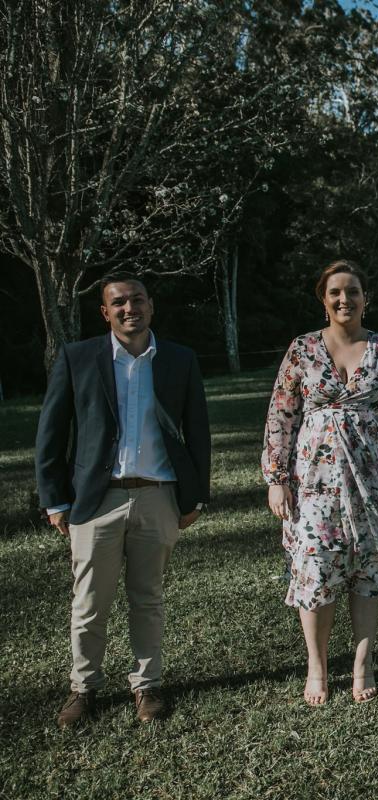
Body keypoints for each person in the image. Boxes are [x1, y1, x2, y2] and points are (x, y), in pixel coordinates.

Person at [35, 275, 211, 728]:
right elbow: (51, 436)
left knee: (147, 598)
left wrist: (195, 496)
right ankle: (83, 688)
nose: (128, 308)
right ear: (105, 312)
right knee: (89, 601)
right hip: (96, 502)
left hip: (159, 496)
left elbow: (198, 432)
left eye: (137, 300)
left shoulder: (179, 359)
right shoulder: (78, 359)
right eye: (118, 302)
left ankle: (146, 687)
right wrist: (55, 500)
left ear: (150, 306)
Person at [262, 260, 378, 706]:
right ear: (323, 299)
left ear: (365, 298)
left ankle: (363, 663)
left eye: (352, 291)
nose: (344, 299)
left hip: (372, 480)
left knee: (367, 569)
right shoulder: (302, 350)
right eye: (335, 292)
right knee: (315, 570)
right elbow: (281, 416)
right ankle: (317, 666)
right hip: (312, 484)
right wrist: (276, 479)